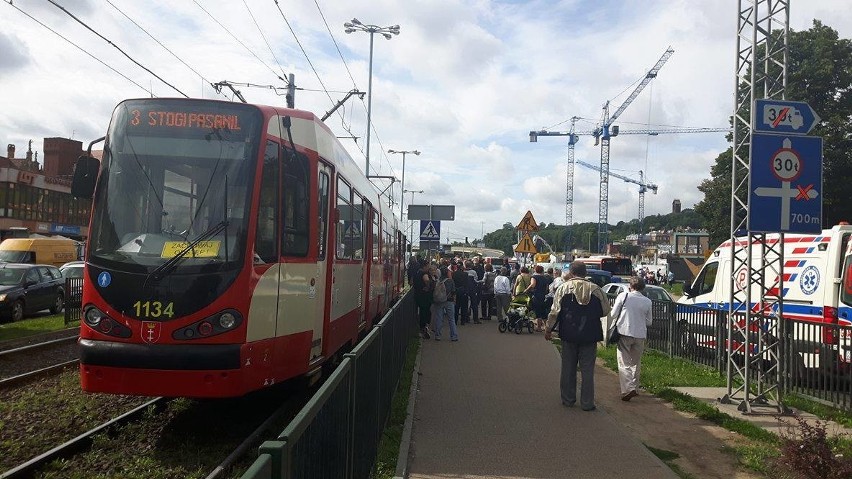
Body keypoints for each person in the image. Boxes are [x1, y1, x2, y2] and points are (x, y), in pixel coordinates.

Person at [545, 260, 612, 411]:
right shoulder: (596, 289)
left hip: (568, 333)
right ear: (585, 272)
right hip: (590, 333)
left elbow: (555, 312)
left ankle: (568, 399)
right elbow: (606, 310)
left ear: (571, 273)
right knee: (588, 369)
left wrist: (548, 329)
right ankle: (587, 403)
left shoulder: (563, 288)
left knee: (568, 367)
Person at [610, 276, 653, 401]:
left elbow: (613, 314)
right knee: (635, 362)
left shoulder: (623, 296)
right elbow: (649, 322)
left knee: (624, 362)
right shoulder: (647, 301)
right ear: (643, 287)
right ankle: (635, 387)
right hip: (640, 334)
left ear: (630, 286)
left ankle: (628, 389)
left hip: (624, 332)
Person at [431, 267, 458, 341]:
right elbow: (454, 292)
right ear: (447, 273)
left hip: (439, 301)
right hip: (449, 301)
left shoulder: (437, 281)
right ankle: (454, 336)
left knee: (439, 318)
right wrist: (454, 301)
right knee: (451, 319)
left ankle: (438, 335)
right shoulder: (451, 281)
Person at [524, 265, 553, 332]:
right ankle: (546, 327)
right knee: (543, 312)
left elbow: (533, 284)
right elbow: (547, 288)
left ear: (535, 270)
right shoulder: (545, 278)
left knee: (538, 312)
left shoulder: (534, 277)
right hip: (543, 296)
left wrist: (526, 289)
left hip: (536, 296)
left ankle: (539, 327)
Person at [412, 258, 433, 338]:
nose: (429, 268)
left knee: (421, 312)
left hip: (417, 294)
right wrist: (428, 287)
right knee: (424, 313)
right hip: (424, 296)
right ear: (425, 266)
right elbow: (427, 281)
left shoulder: (417, 272)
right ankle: (423, 329)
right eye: (428, 266)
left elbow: (412, 282)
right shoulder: (424, 273)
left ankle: (421, 329)